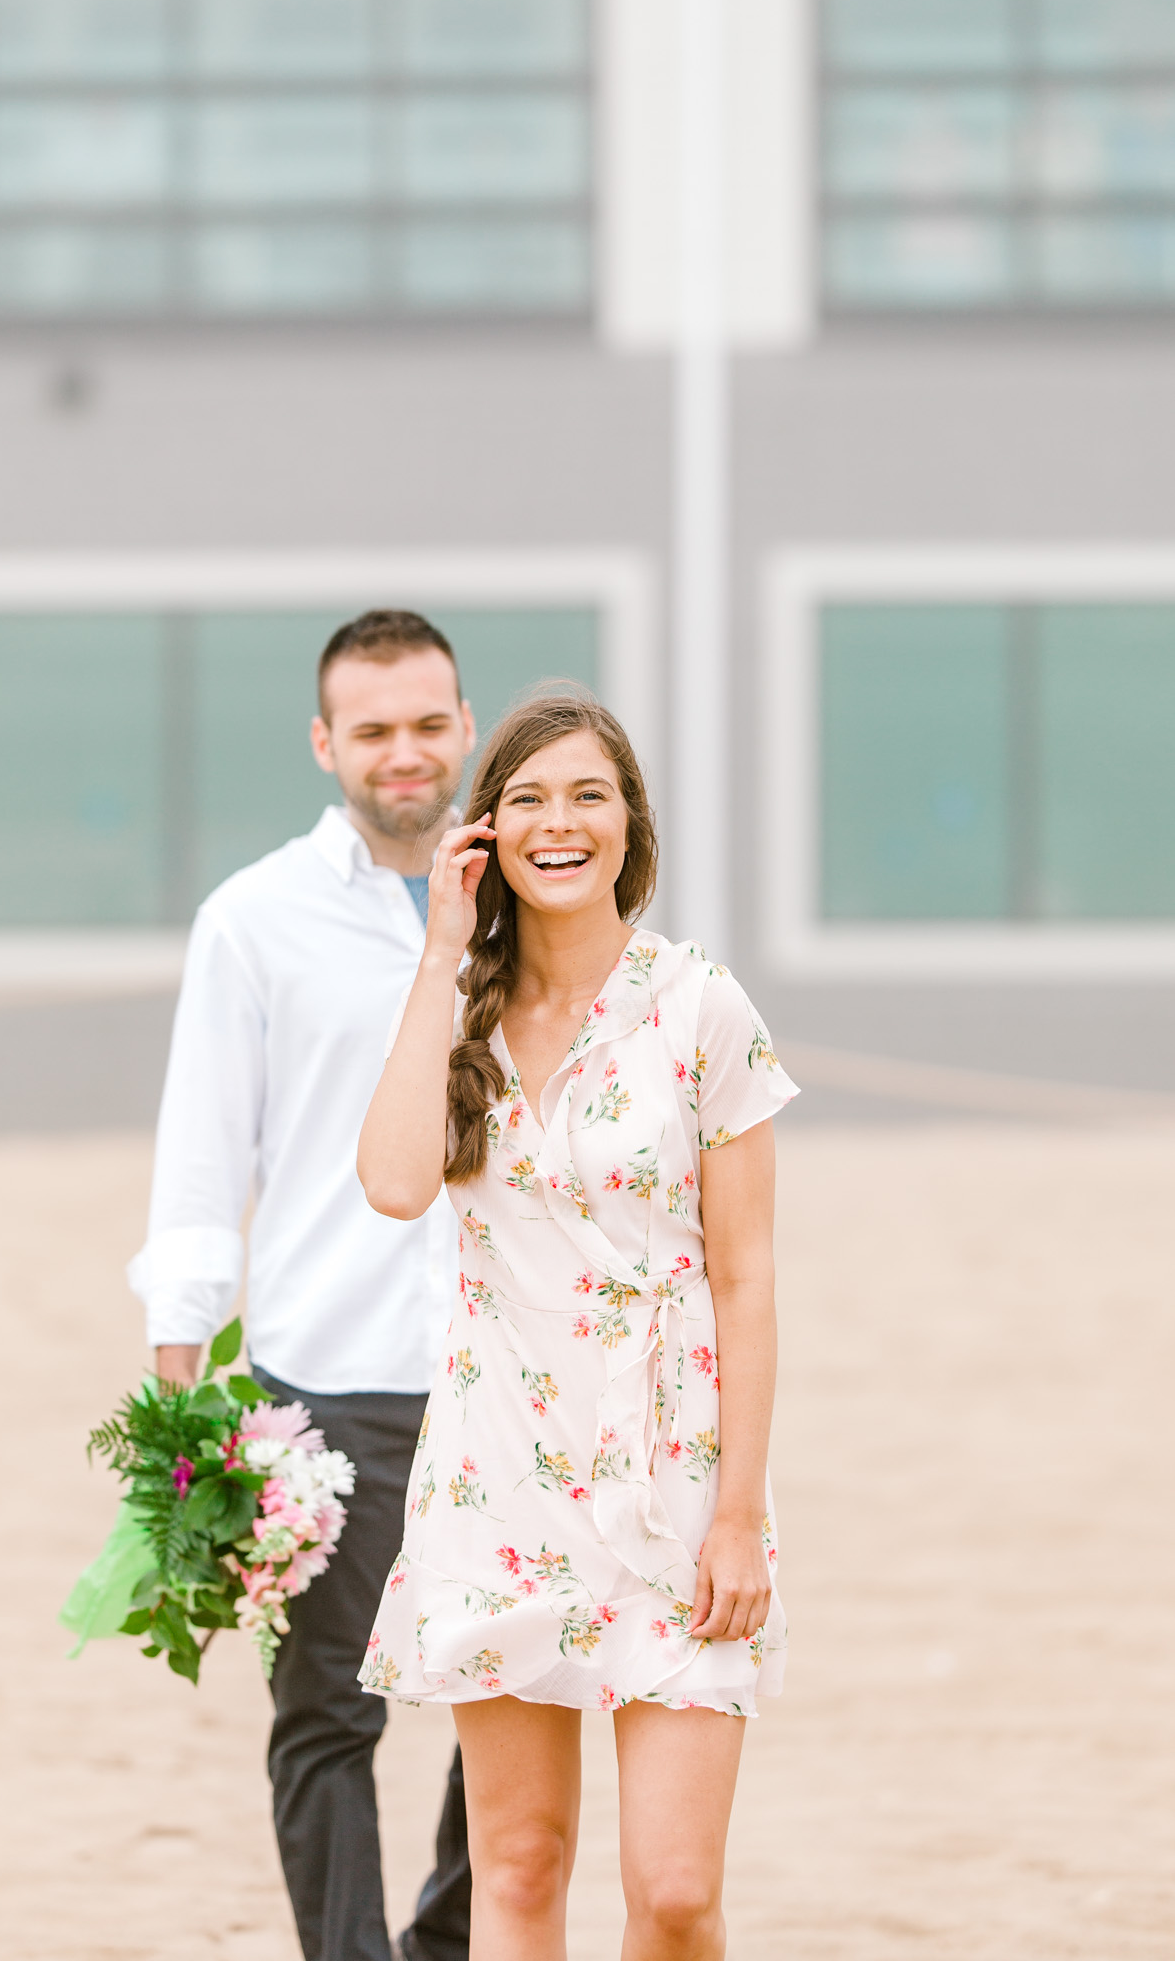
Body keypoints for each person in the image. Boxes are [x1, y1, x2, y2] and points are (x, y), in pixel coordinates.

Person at [356, 692, 797, 1961]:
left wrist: (738, 1511)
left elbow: (749, 1276)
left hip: (674, 1472)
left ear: (628, 823)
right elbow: (392, 1183)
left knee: (672, 1890)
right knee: (522, 1861)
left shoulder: (700, 1004)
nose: (561, 822)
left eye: (588, 794)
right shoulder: (464, 1013)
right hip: (498, 1475)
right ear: (488, 830)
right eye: (531, 798)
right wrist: (442, 950)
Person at [129, 609, 476, 1961]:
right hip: (325, 1379)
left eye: (428, 723)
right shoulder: (253, 921)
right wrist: (180, 1409)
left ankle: (448, 1943)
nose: (405, 752)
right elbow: (202, 1166)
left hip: (509, 1374)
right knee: (330, 1713)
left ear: (461, 725)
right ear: (326, 742)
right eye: (374, 729)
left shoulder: (530, 897)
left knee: (507, 1696)